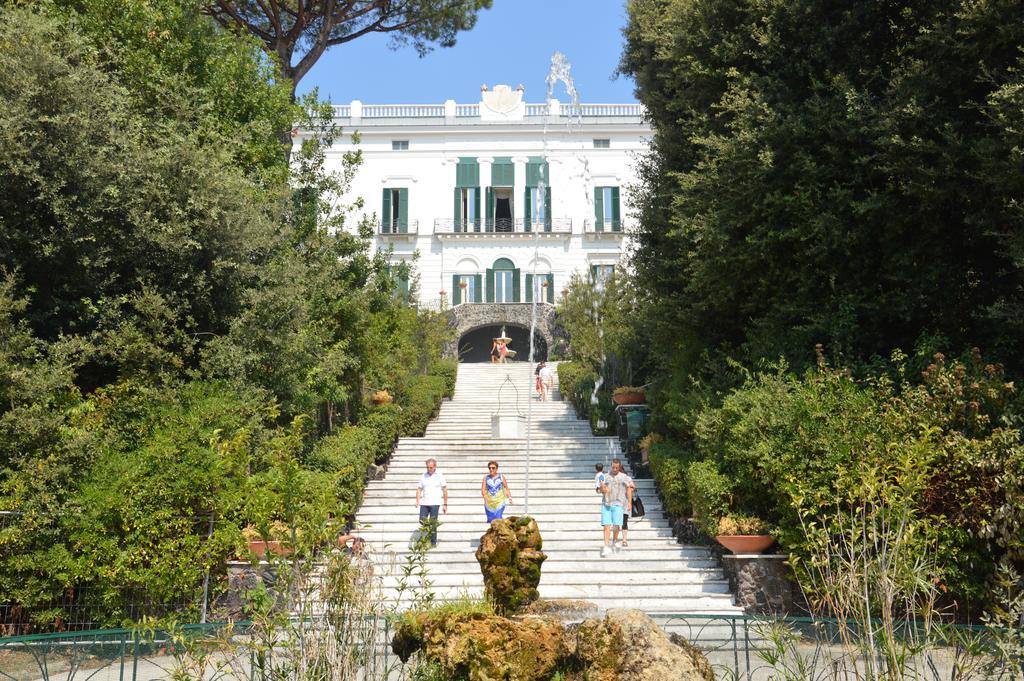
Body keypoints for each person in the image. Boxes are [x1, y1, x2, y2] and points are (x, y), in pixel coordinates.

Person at [600, 458, 633, 557]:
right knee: (606, 526)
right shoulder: (605, 476)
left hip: (619, 504)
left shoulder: (624, 477)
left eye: (616, 467)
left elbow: (629, 489)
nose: (614, 469)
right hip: (606, 504)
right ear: (611, 466)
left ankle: (614, 540)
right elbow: (599, 490)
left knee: (617, 526)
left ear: (619, 467)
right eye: (613, 467)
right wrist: (602, 488)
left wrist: (630, 503)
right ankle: (606, 546)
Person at [415, 458, 447, 547]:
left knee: (433, 524)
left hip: (435, 503)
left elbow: (444, 490)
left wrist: (445, 504)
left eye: (431, 467)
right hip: (424, 503)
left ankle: (433, 542)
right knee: (422, 520)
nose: (429, 469)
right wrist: (417, 501)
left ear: (435, 467)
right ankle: (427, 534)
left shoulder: (440, 476)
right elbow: (419, 489)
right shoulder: (423, 476)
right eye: (428, 467)